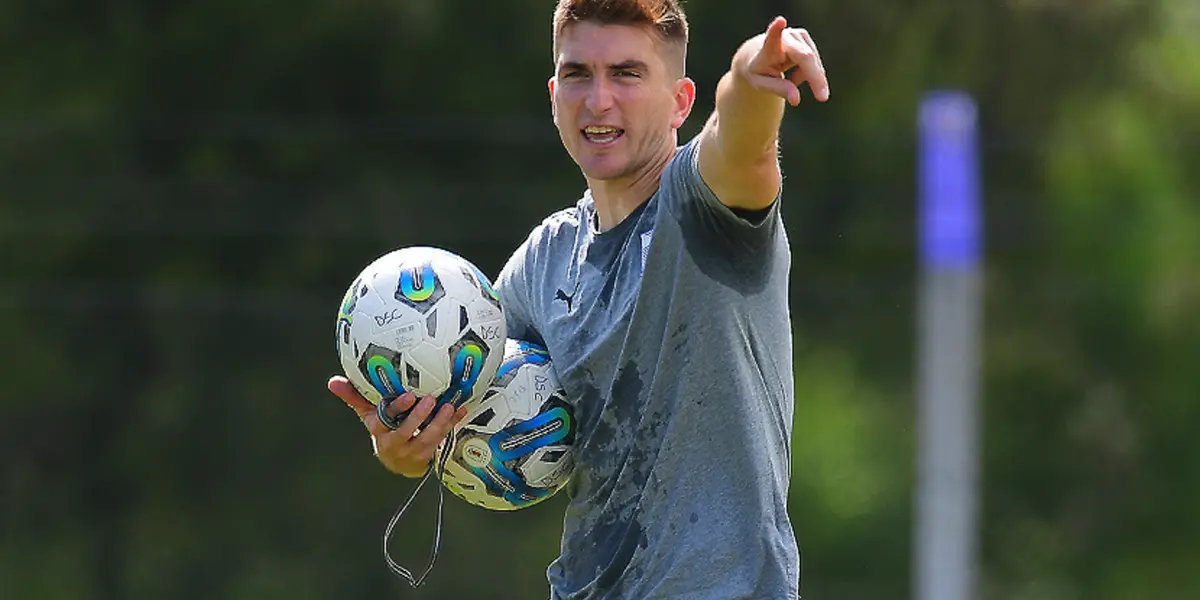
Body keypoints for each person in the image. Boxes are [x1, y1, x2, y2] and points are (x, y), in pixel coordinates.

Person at [329, 0, 830, 597]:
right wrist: (406, 445)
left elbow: (741, 140)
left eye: (626, 73)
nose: (598, 100)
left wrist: (752, 74)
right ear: (553, 96)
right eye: (577, 75)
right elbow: (453, 384)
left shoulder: (704, 209)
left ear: (681, 101)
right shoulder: (545, 260)